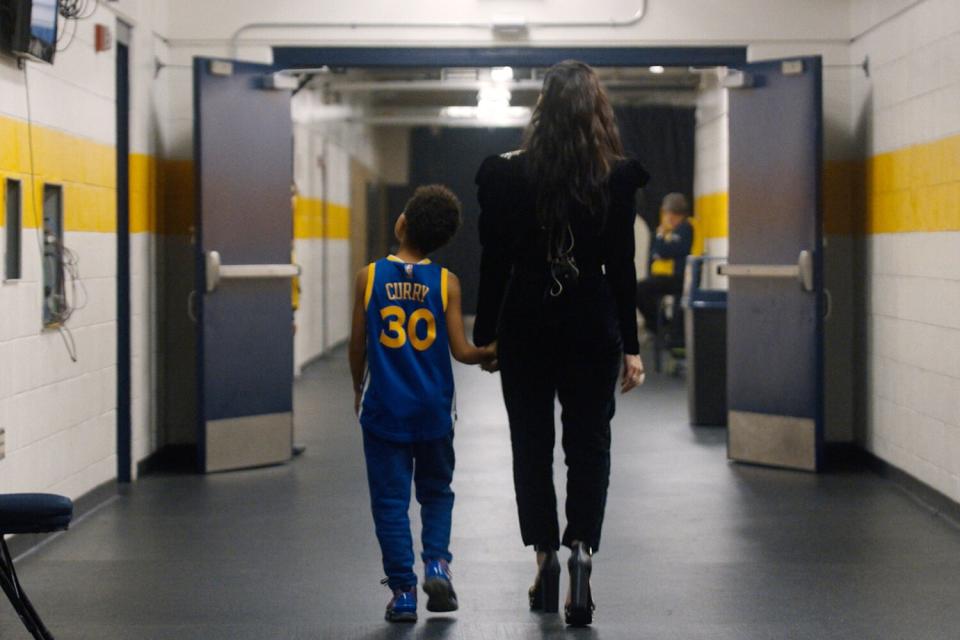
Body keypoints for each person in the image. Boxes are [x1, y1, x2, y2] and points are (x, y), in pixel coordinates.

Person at [473, 60, 648, 627]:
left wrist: (486, 336)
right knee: (590, 444)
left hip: (526, 317)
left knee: (530, 443)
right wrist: (632, 344)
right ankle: (582, 553)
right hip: (592, 317)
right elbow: (622, 265)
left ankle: (545, 557)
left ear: (541, 110)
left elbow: (494, 260)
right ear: (596, 111)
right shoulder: (617, 176)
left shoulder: (503, 174)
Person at [348, 185, 495, 623]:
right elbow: (462, 352)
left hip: (385, 409)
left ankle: (404, 592)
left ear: (401, 224)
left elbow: (358, 346)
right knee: (436, 493)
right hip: (434, 412)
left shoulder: (369, 277)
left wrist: (358, 387)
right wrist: (493, 353)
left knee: (390, 502)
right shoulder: (446, 282)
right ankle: (437, 563)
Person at [635, 193, 694, 336]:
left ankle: (661, 326)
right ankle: (658, 325)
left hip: (677, 277)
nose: (669, 218)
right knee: (638, 290)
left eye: (672, 214)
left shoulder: (685, 229)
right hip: (664, 276)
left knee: (640, 290)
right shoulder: (669, 231)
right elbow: (656, 251)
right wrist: (661, 246)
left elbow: (667, 251)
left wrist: (661, 240)